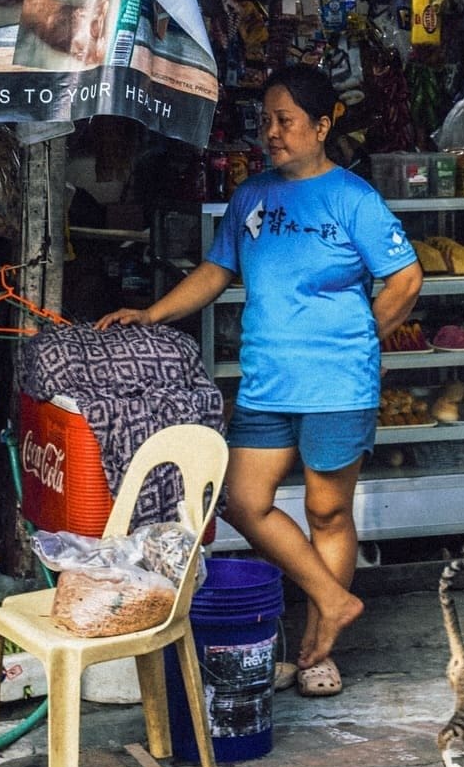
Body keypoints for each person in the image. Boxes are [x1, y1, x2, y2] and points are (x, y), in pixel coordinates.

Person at [99, 64, 422, 697]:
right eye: (265, 120)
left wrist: (358, 342)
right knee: (246, 502)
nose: (271, 133)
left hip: (336, 385)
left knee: (328, 511)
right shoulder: (251, 196)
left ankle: (318, 653)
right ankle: (333, 599)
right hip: (268, 381)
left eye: (286, 121)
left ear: (323, 126)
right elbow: (217, 270)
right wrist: (152, 312)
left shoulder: (353, 198)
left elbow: (405, 278)